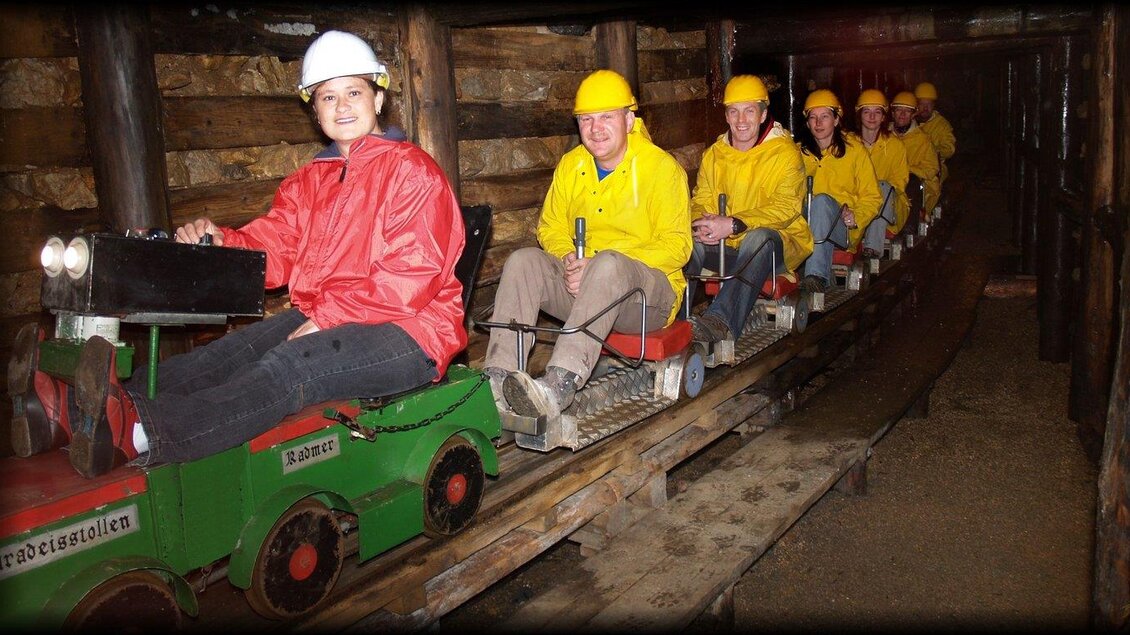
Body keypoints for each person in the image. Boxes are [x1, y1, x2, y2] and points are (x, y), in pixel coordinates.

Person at [10, 30, 469, 478]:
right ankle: (72, 415)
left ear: (378, 99)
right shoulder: (311, 179)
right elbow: (276, 247)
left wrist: (326, 319)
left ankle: (141, 432)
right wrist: (221, 243)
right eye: (328, 97)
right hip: (330, 313)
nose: (342, 106)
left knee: (290, 367)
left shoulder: (412, 171)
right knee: (224, 356)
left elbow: (412, 275)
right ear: (314, 109)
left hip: (412, 331)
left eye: (354, 91)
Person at [481, 69, 692, 418]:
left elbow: (677, 246)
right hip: (584, 288)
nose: (595, 129)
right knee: (524, 261)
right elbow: (550, 226)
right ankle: (498, 378)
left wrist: (598, 264)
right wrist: (569, 259)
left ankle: (560, 382)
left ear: (628, 119)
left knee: (609, 263)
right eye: (586, 119)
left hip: (647, 300)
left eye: (607, 117)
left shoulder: (661, 169)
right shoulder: (571, 165)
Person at [682, 75, 811, 344]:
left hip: (773, 248)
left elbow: (786, 207)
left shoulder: (785, 154)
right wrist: (700, 224)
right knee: (687, 241)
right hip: (725, 247)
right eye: (734, 112)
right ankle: (675, 322)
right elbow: (700, 199)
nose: (741, 120)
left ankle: (721, 321)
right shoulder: (715, 154)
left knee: (759, 237)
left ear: (763, 114)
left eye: (749, 111)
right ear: (726, 116)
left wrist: (734, 223)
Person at [795, 89, 882, 293]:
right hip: (804, 226)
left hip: (841, 227)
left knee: (822, 201)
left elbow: (872, 196)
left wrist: (856, 216)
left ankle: (816, 276)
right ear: (807, 123)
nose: (818, 123)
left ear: (836, 120)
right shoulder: (797, 153)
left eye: (824, 116)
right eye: (813, 118)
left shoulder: (854, 152)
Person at [853, 89, 910, 256]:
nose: (872, 117)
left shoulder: (895, 146)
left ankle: (872, 247)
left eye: (877, 112)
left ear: (884, 117)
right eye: (867, 112)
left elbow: (900, 181)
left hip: (888, 205)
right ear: (859, 115)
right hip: (857, 202)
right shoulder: (849, 143)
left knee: (882, 186)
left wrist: (872, 190)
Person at [889, 91, 942, 219]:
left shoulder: (923, 140)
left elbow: (931, 168)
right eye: (898, 110)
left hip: (913, 185)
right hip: (888, 181)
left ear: (913, 114)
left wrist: (908, 170)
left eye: (907, 111)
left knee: (912, 182)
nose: (902, 114)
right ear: (893, 113)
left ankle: (910, 225)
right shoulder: (883, 137)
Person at [913, 81, 956, 184]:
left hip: (935, 168)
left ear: (934, 105)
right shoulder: (908, 122)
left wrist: (931, 152)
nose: (925, 108)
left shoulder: (942, 124)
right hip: (911, 167)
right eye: (922, 104)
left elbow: (949, 149)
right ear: (916, 105)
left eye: (929, 104)